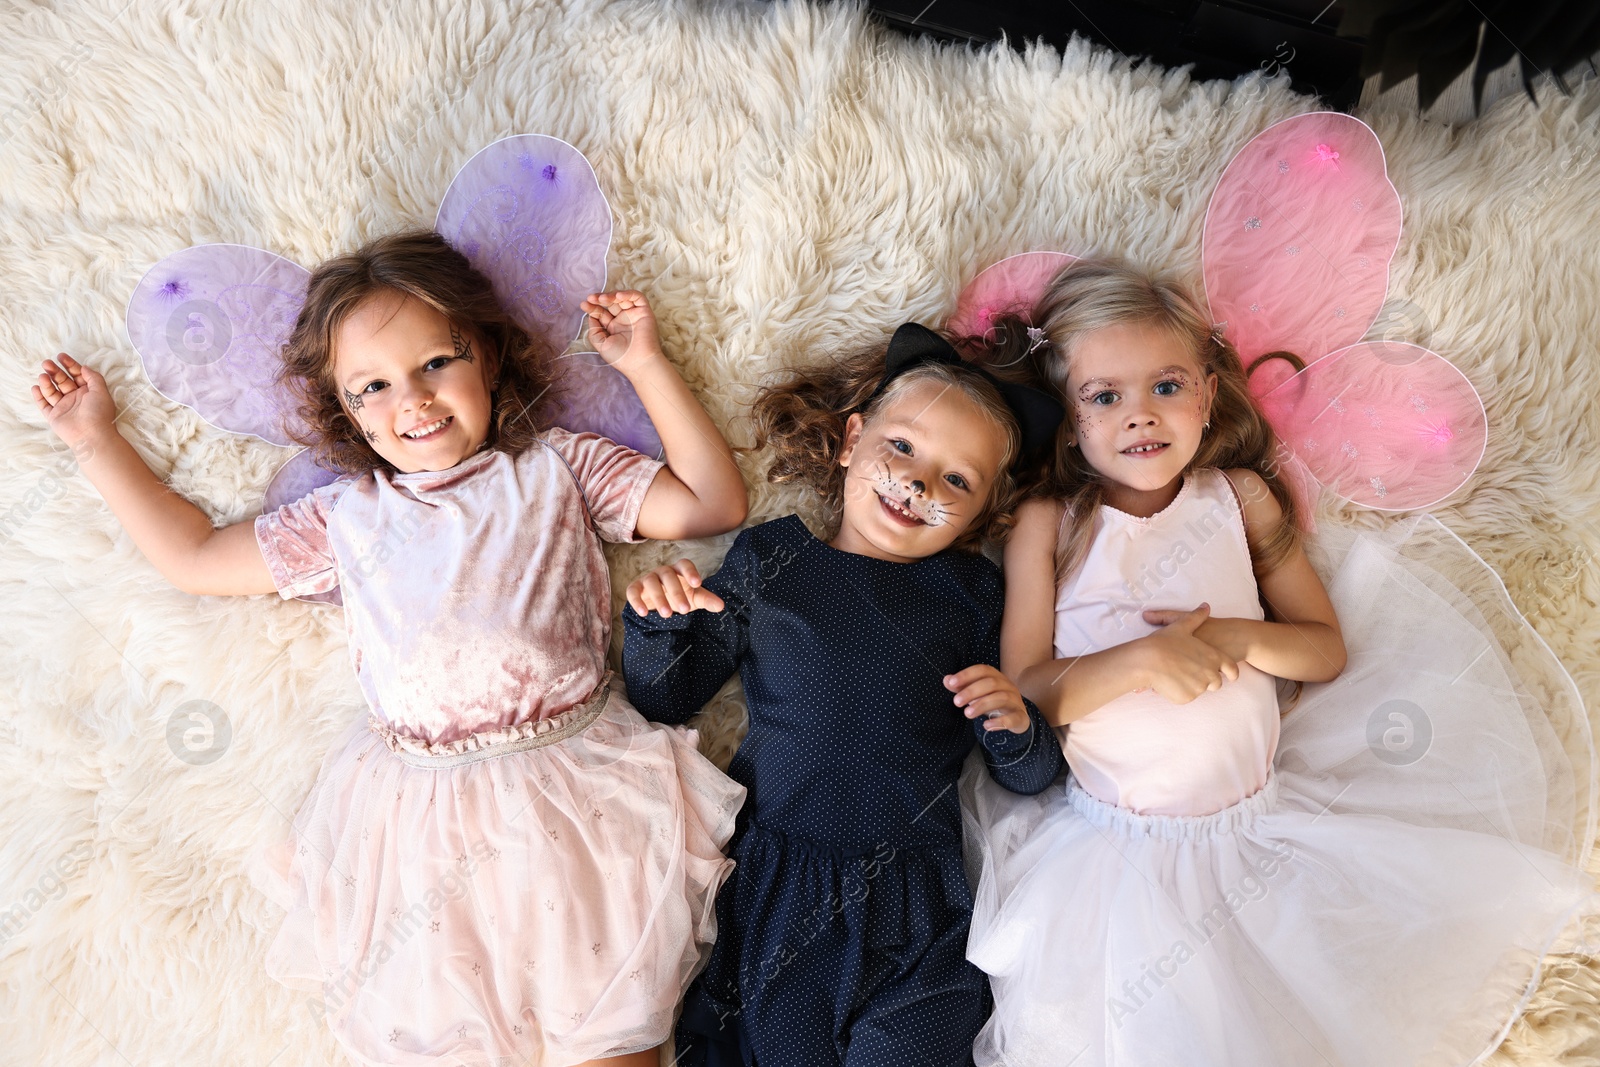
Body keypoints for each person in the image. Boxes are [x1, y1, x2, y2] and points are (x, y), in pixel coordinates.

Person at [30, 229, 749, 1067]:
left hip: (575, 794)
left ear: (483, 355)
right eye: (372, 385)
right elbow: (193, 557)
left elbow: (712, 501)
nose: (413, 399)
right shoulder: (346, 518)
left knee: (611, 1039)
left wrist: (645, 366)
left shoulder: (557, 470)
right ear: (344, 410)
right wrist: (93, 440)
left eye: (437, 363)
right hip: (416, 832)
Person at [961, 258, 1599, 1067]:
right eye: (1104, 395)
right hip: (1116, 860)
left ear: (1206, 390)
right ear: (1072, 417)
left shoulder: (1238, 498)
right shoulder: (1054, 521)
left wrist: (1237, 636)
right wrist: (1145, 658)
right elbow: (1031, 691)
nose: (1140, 416)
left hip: (1262, 836)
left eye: (1166, 386)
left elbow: (1323, 648)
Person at [621, 322, 1068, 1067]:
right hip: (780, 888)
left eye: (957, 480)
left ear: (985, 511)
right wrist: (656, 624)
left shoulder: (971, 595)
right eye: (902, 448)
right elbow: (668, 700)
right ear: (852, 438)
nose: (920, 484)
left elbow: (1028, 775)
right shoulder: (774, 558)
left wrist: (1016, 726)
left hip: (919, 900)